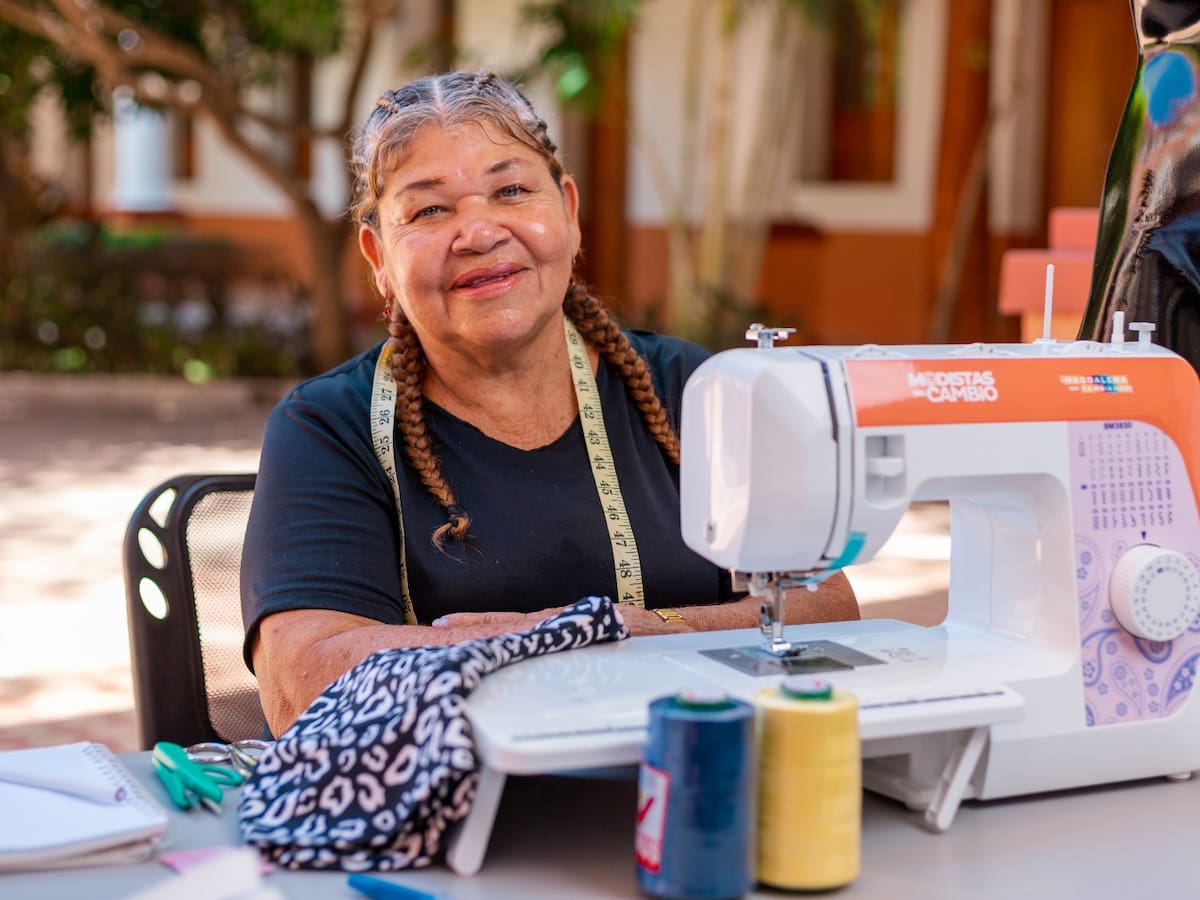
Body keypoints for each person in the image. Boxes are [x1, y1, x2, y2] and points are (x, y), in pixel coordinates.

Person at [241, 70, 859, 737]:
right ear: (378, 257)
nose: (479, 232)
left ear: (568, 211)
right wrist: (571, 641)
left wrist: (626, 629)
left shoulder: (691, 387)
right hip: (459, 796)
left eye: (510, 191)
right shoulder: (330, 427)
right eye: (429, 211)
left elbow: (824, 609)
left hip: (687, 770)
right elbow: (304, 685)